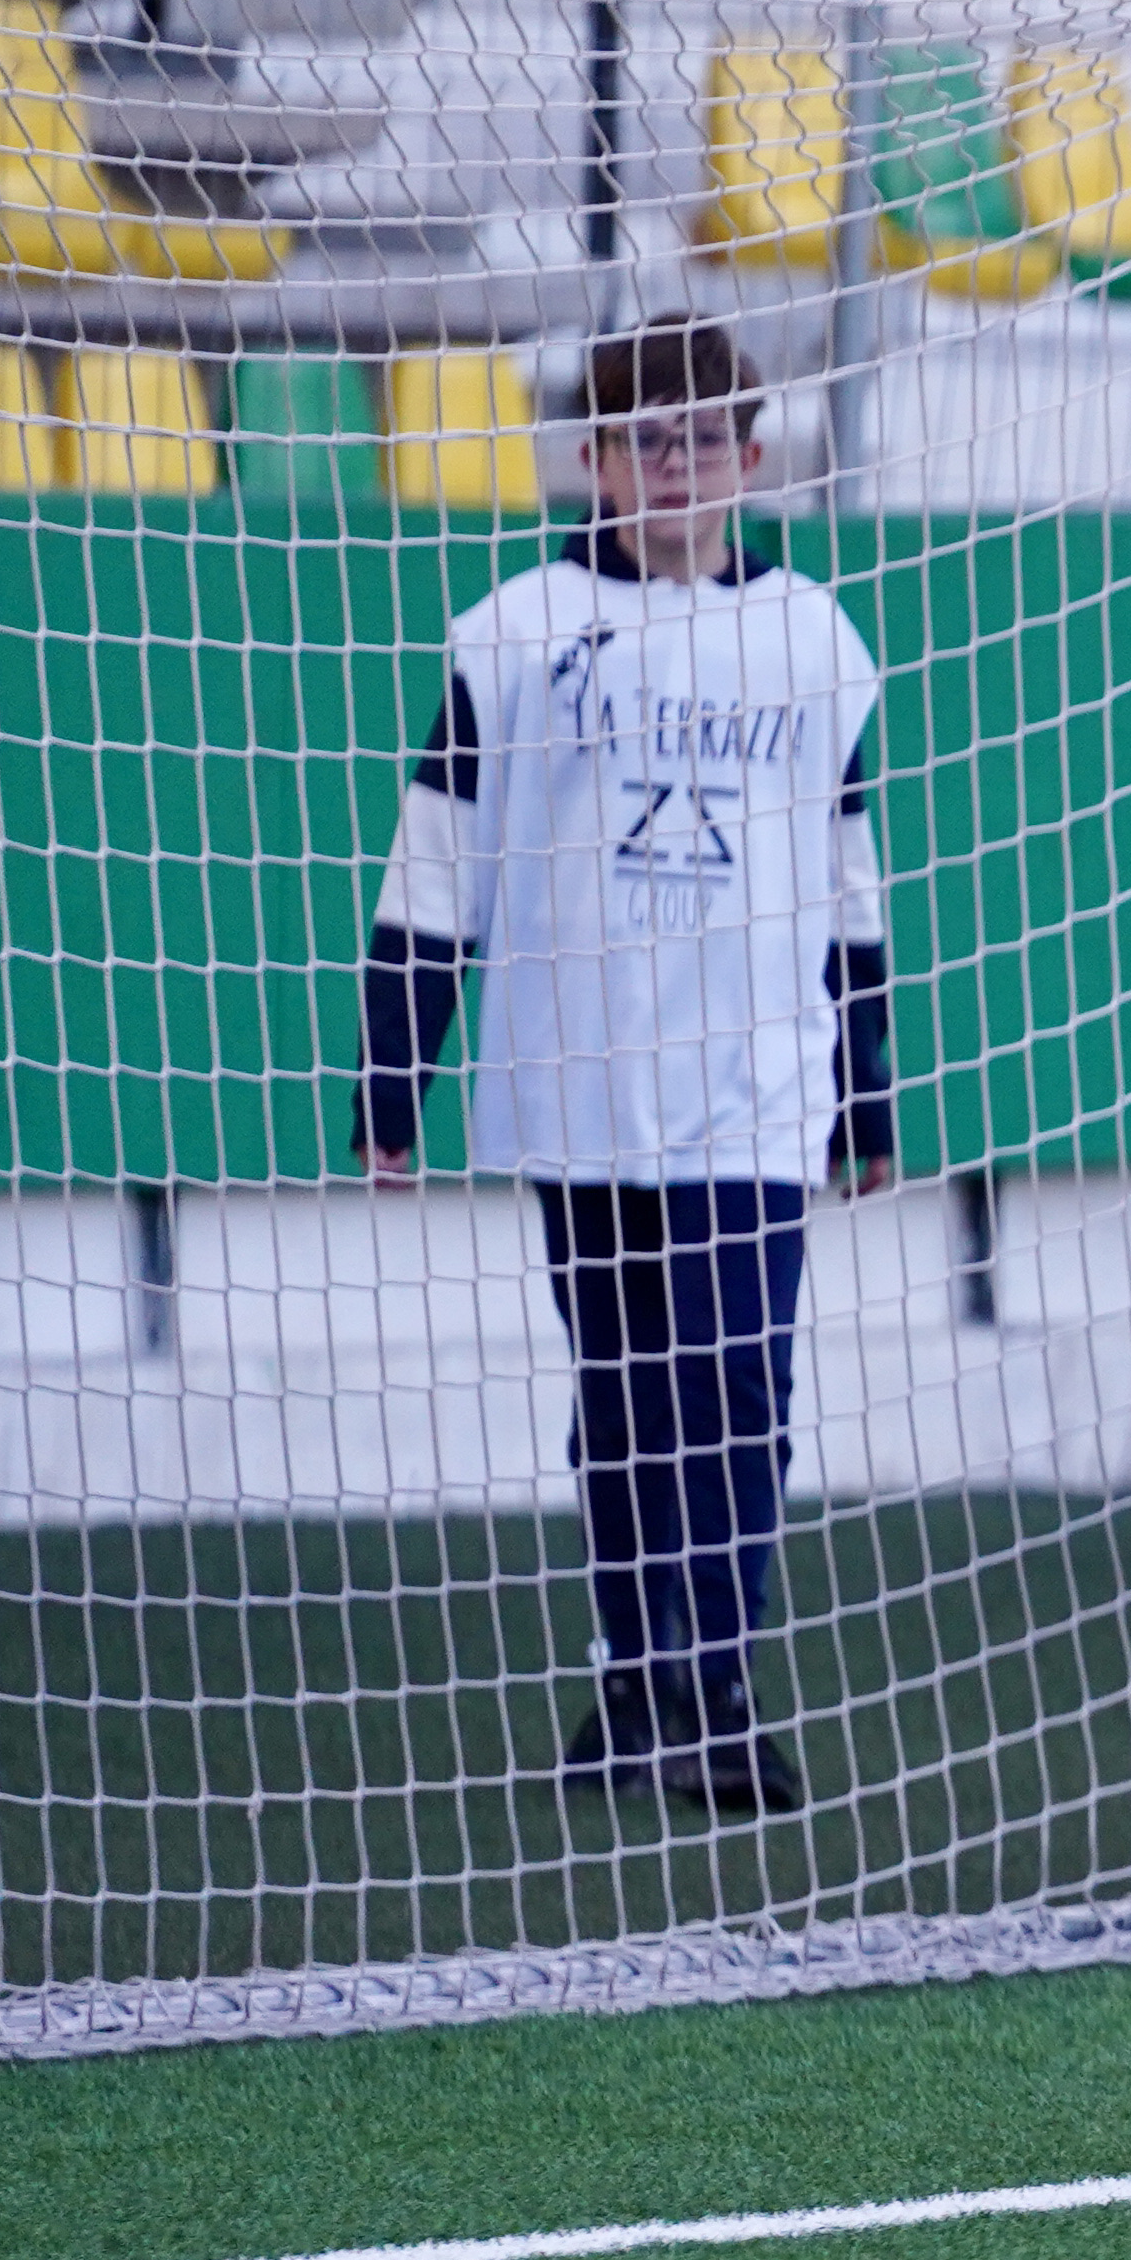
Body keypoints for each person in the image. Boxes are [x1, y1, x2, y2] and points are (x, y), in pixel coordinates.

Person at [359, 320, 890, 1818]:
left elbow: (851, 875)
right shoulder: (511, 632)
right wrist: (393, 1072)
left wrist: (873, 1076)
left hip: (758, 1096)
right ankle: (628, 1679)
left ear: (753, 453)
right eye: (645, 440)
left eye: (706, 436)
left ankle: (718, 1681)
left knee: (737, 1383)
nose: (678, 465)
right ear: (590, 460)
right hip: (576, 1087)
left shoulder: (815, 640)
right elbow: (435, 863)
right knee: (621, 1395)